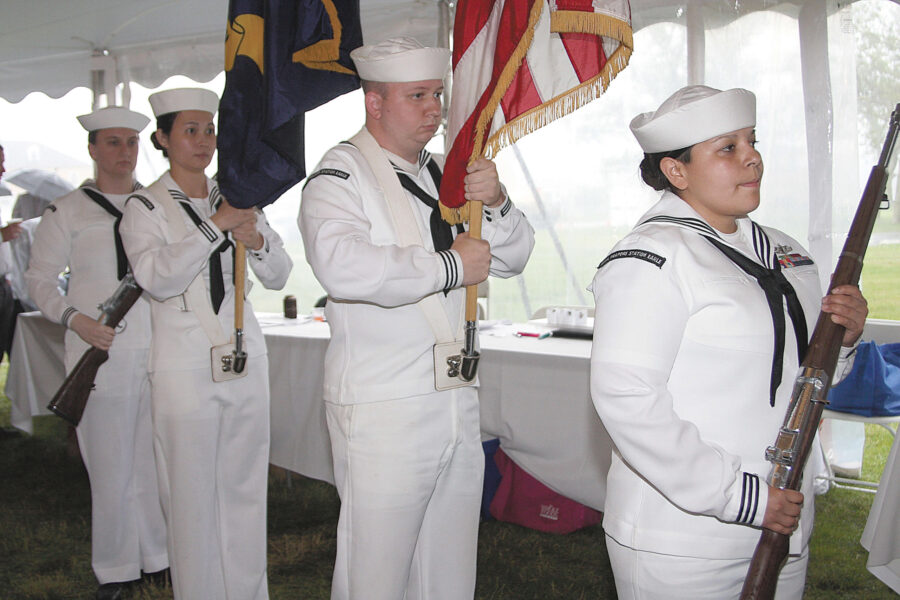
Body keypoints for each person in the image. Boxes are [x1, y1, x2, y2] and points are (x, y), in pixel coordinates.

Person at [589, 85, 869, 599]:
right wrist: (740, 497)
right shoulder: (650, 259)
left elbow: (802, 377)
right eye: (728, 148)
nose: (752, 158)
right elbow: (627, 398)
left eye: (751, 141)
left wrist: (844, 342)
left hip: (783, 519)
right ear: (676, 172)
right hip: (683, 536)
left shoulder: (788, 253)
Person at [299, 37, 535, 600]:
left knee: (449, 566)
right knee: (375, 570)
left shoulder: (443, 172)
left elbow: (515, 255)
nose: (434, 108)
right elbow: (343, 266)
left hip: (453, 395)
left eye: (437, 94)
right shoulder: (340, 174)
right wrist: (450, 266)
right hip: (386, 402)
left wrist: (497, 202)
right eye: (416, 96)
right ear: (374, 103)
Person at [119, 87, 292, 600]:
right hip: (184, 365)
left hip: (245, 357)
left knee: (243, 488)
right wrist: (215, 228)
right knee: (191, 495)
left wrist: (255, 239)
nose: (203, 141)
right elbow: (156, 278)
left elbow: (280, 274)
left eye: (209, 130)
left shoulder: (235, 194)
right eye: (190, 131)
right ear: (163, 139)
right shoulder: (143, 206)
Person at [25, 107, 169, 599]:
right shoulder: (67, 210)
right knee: (109, 463)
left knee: (152, 457)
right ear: (92, 149)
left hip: (156, 347)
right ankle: (114, 568)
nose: (124, 152)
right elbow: (39, 280)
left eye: (131, 142)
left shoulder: (157, 206)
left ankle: (157, 556)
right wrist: (76, 320)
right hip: (98, 349)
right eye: (113, 142)